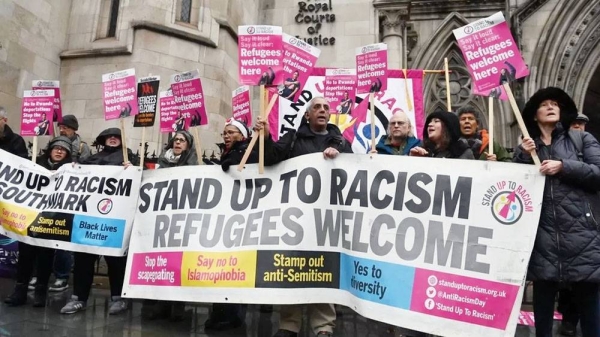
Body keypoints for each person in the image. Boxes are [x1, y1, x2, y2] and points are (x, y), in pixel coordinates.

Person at [255, 97, 353, 337]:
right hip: (296, 218)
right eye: (316, 107)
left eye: (326, 108)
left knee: (324, 267)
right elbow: (270, 159)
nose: (322, 110)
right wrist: (265, 137)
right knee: (293, 267)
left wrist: (340, 154)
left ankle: (323, 327)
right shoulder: (293, 138)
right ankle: (289, 324)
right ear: (307, 115)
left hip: (327, 218)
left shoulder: (340, 140)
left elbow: (354, 169)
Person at [513, 87, 600, 337]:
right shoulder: (529, 149)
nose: (551, 107)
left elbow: (598, 174)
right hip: (542, 235)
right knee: (542, 307)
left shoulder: (581, 140)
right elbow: (514, 189)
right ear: (534, 115)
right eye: (544, 104)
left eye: (555, 104)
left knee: (589, 306)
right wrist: (521, 155)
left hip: (581, 233)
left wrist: (565, 166)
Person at [60, 128, 137, 315]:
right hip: (89, 219)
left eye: (117, 136)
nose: (112, 139)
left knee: (116, 260)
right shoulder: (91, 159)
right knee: (83, 259)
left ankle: (119, 297)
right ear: (103, 140)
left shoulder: (130, 159)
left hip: (114, 220)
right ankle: (79, 297)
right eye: (109, 136)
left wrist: (132, 169)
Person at [4, 136, 73, 307]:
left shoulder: (71, 170)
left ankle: (41, 290)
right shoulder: (35, 163)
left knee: (45, 257)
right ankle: (20, 290)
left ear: (67, 153)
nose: (59, 151)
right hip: (30, 217)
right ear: (50, 150)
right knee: (26, 255)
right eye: (56, 148)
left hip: (52, 221)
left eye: (63, 149)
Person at [202, 118, 257, 331]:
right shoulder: (230, 153)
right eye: (224, 133)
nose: (226, 136)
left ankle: (233, 315)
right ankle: (220, 311)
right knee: (222, 267)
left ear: (242, 136)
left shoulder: (249, 150)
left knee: (236, 267)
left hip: (243, 219)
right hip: (226, 219)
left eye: (231, 132)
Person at [141, 130, 198, 321]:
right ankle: (162, 303)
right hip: (162, 218)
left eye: (182, 141)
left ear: (188, 145)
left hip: (183, 218)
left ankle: (179, 305)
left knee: (180, 262)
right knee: (162, 261)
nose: (178, 143)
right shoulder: (162, 163)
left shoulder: (194, 165)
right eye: (176, 140)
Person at [409, 111, 474, 159]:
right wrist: (413, 159)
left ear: (448, 127)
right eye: (429, 122)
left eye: (436, 121)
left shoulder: (462, 152)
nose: (430, 124)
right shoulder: (421, 150)